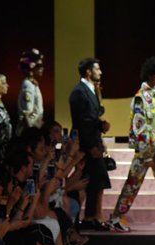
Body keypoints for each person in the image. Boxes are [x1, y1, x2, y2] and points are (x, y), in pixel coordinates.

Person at [109, 57, 155, 232]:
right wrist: (146, 154)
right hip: (146, 151)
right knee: (133, 184)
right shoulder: (140, 98)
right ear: (149, 75)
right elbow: (139, 127)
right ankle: (116, 217)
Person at [68, 58, 112, 230]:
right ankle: (91, 217)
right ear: (88, 71)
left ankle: (91, 217)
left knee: (95, 181)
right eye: (97, 69)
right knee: (94, 180)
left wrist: (101, 125)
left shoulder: (90, 90)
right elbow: (82, 122)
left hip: (93, 141)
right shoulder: (79, 92)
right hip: (87, 145)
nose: (100, 72)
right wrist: (91, 146)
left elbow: (91, 118)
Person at [15, 49, 44, 136]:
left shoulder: (33, 84)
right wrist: (32, 135)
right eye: (39, 66)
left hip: (34, 130)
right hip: (29, 134)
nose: (42, 68)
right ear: (31, 67)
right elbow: (27, 114)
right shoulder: (28, 85)